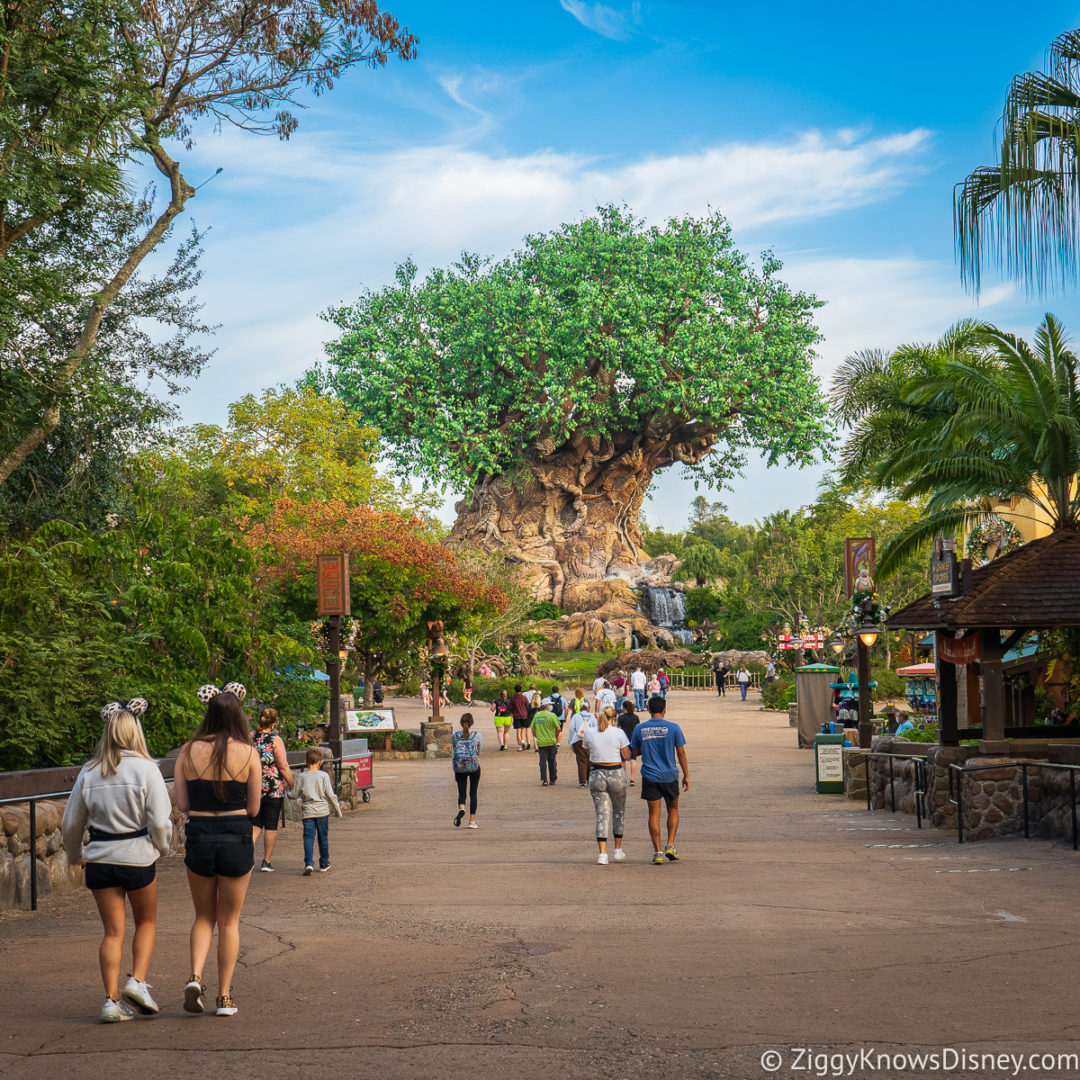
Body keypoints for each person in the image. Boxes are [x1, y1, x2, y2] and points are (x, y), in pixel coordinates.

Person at [61, 700, 172, 1023]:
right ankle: (136, 981)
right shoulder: (148, 769)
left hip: (100, 857)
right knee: (146, 923)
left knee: (112, 933)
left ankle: (110, 1002)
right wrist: (160, 849)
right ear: (136, 732)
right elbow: (161, 822)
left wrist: (75, 856)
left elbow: (71, 823)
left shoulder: (89, 771)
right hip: (137, 856)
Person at [174, 682, 261, 1017]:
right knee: (229, 921)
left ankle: (195, 976)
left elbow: (182, 803)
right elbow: (254, 808)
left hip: (199, 834)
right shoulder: (249, 753)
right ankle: (224, 997)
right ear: (238, 715)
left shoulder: (187, 751)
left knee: (203, 916)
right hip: (236, 834)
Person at [629, 695, 689, 865]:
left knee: (654, 814)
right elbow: (681, 752)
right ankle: (670, 844)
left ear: (648, 710)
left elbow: (634, 751)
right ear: (664, 709)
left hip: (650, 775)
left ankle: (657, 852)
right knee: (673, 810)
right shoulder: (673, 728)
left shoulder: (639, 729)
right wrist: (686, 775)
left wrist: (647, 747)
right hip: (669, 775)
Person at [581, 706, 631, 864]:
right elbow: (626, 755)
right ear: (613, 719)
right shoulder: (618, 732)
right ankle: (617, 850)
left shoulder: (590, 732)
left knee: (601, 814)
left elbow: (587, 750)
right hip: (615, 772)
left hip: (597, 773)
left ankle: (602, 854)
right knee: (619, 812)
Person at [251, 708, 293, 873]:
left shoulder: (250, 738)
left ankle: (246, 858)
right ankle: (266, 862)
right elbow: (282, 765)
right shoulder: (275, 740)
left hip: (253, 786)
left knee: (254, 826)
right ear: (274, 722)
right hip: (273, 788)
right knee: (271, 825)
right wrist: (291, 782)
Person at [288, 748, 342, 873]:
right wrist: (338, 810)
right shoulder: (323, 776)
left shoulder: (302, 776)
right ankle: (324, 863)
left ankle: (309, 863)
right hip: (322, 811)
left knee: (308, 837)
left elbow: (295, 794)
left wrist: (287, 794)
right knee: (323, 837)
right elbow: (330, 794)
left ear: (305, 761)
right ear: (320, 762)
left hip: (308, 812)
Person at [451, 714, 481, 828]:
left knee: (461, 792)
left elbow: (454, 748)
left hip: (460, 767)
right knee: (473, 793)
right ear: (472, 722)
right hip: (473, 766)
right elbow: (479, 751)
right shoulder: (477, 735)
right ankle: (472, 821)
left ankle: (462, 808)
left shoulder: (455, 735)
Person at [530, 698, 561, 785]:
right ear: (547, 706)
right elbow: (558, 728)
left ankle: (544, 780)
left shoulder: (537, 715)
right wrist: (555, 735)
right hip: (551, 741)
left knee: (542, 762)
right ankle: (552, 779)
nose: (550, 706)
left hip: (541, 742)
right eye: (550, 705)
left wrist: (537, 736)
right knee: (552, 761)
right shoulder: (552, 715)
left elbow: (532, 728)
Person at [566, 703, 597, 787]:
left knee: (581, 760)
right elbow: (596, 729)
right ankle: (590, 780)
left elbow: (572, 729)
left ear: (580, 708)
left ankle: (582, 782)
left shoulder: (575, 716)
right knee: (590, 760)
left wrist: (570, 741)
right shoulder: (592, 716)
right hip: (590, 740)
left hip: (578, 739)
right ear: (588, 708)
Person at [618, 699, 639, 786]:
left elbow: (619, 729)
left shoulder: (621, 717)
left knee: (623, 760)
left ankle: (624, 778)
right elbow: (637, 729)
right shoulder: (636, 717)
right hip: (634, 740)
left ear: (624, 708)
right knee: (633, 760)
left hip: (624, 741)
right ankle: (632, 779)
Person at [510, 683, 531, 751]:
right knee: (523, 729)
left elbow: (510, 707)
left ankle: (519, 746)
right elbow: (527, 705)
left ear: (514, 690)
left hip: (516, 716)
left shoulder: (513, 698)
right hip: (524, 715)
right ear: (521, 689)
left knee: (518, 731)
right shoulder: (524, 697)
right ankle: (522, 740)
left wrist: (513, 712)